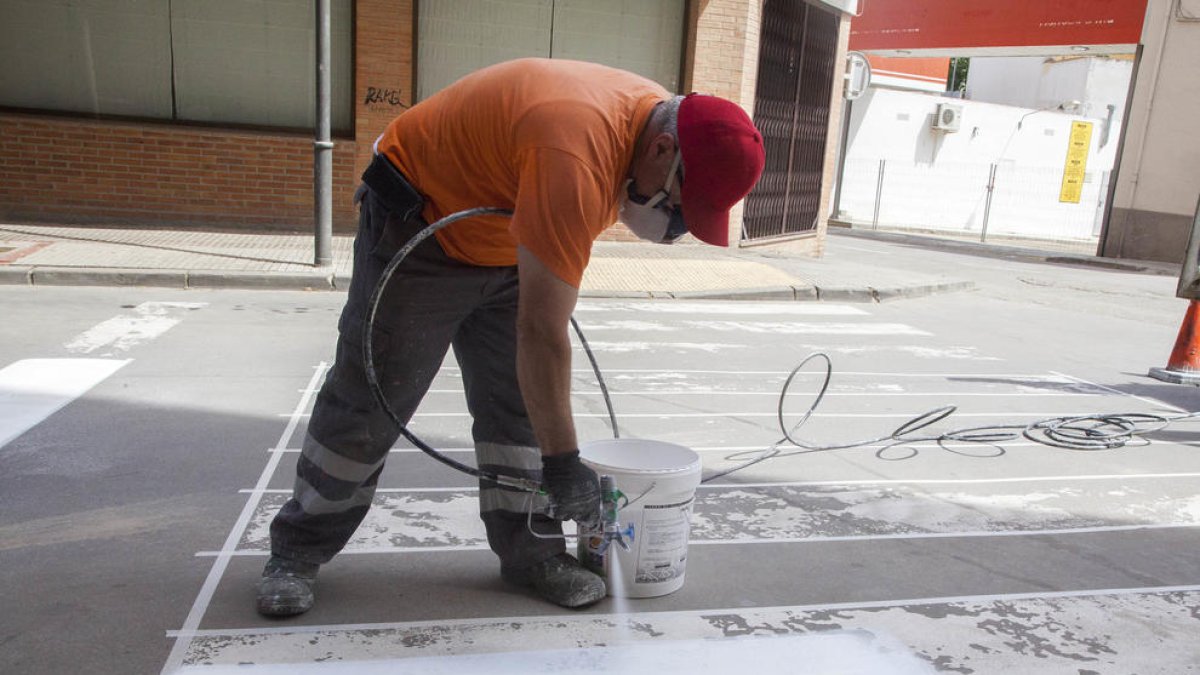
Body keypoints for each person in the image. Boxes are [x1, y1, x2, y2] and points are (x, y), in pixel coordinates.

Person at [256, 57, 765, 616]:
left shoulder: (649, 129)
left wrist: (555, 448)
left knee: (520, 411)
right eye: (675, 202)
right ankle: (298, 551)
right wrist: (567, 464)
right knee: (371, 401)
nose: (670, 219)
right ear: (662, 150)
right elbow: (543, 333)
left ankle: (532, 554)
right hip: (423, 226)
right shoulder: (576, 153)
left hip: (505, 237)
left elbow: (539, 329)